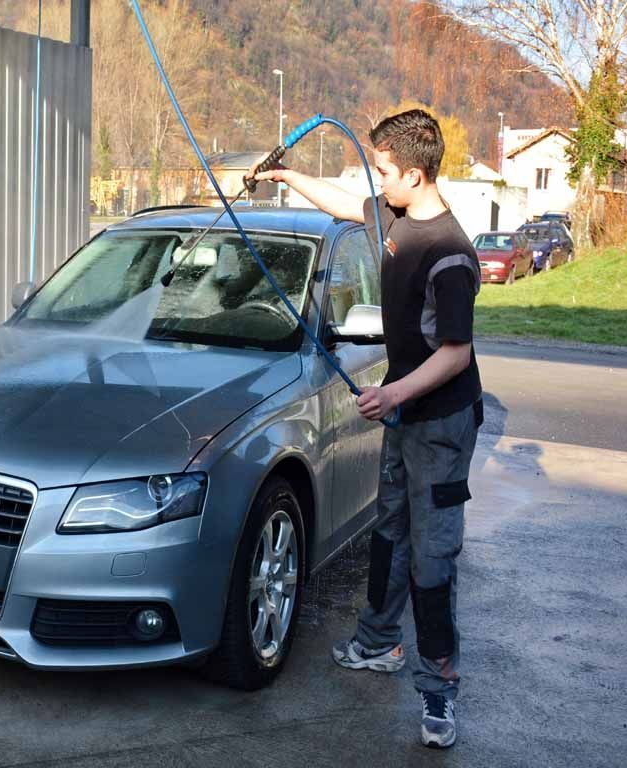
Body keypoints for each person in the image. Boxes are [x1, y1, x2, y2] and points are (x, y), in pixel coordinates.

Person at [249, 109, 482, 749]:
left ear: (415, 173)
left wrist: (393, 393)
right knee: (389, 533)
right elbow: (346, 205)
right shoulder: (396, 217)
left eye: (383, 170)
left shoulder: (450, 254)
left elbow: (455, 354)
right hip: (404, 414)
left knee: (432, 559)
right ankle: (378, 643)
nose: (377, 182)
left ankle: (439, 692)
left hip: (441, 424)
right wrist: (285, 176)